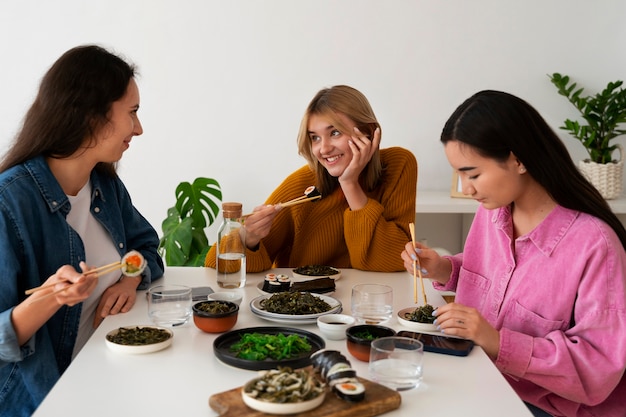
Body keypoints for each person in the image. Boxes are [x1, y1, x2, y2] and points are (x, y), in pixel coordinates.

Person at [401, 90, 626, 417]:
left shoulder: (595, 245)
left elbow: (598, 367)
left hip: (549, 407)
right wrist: (443, 268)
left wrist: (495, 341)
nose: (466, 189)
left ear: (518, 159)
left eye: (473, 174)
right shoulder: (493, 213)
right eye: (460, 175)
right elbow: (499, 283)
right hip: (483, 376)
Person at [0, 45, 164, 416]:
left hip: (105, 373)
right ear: (93, 116)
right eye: (132, 113)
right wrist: (51, 298)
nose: (138, 128)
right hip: (44, 398)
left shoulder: (105, 187)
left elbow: (146, 248)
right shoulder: (9, 203)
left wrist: (128, 280)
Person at [206, 85, 417, 272]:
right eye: (315, 137)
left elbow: (394, 260)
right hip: (304, 308)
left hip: (369, 305)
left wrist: (349, 184)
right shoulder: (301, 186)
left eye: (335, 133)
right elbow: (215, 263)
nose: (323, 148)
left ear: (368, 132)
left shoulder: (399, 165)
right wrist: (248, 238)